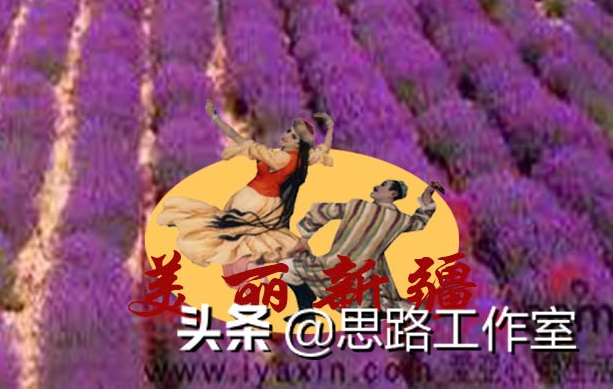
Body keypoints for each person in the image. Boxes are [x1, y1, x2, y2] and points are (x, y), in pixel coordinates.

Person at [156, 101, 335, 268]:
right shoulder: (301, 160)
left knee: (231, 238)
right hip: (272, 208)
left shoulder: (277, 157)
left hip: (253, 201)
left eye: (293, 136)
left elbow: (240, 140)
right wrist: (330, 128)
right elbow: (324, 150)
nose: (286, 135)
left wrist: (216, 119)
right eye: (289, 131)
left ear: (298, 143)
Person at [283, 179, 442, 310]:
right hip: (335, 268)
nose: (376, 186)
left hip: (356, 277)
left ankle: (308, 311)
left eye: (383, 185)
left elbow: (323, 211)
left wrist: (428, 193)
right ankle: (306, 312)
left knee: (375, 306)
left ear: (393, 194)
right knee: (287, 268)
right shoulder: (363, 208)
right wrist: (304, 239)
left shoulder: (394, 218)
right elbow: (324, 211)